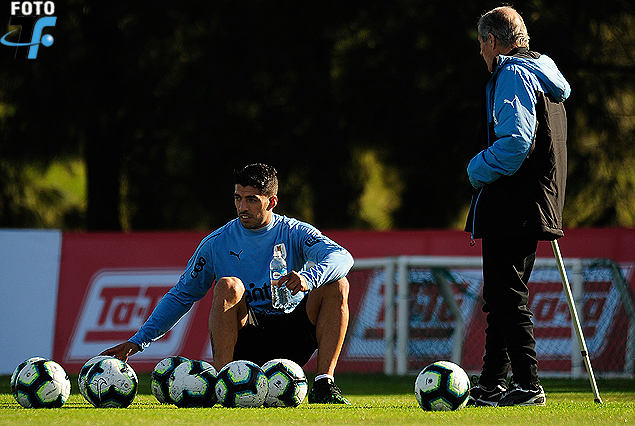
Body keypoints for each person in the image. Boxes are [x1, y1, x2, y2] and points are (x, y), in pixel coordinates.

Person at [102, 163, 354, 404]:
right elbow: (181, 295)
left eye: (252, 200)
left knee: (338, 284)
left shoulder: (294, 231)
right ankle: (225, 381)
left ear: (272, 202)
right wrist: (139, 340)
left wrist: (309, 278)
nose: (242, 207)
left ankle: (324, 384)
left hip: (294, 335)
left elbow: (342, 257)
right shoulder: (217, 243)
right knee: (227, 286)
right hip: (248, 338)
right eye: (237, 198)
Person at [465, 6, 570, 407]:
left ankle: (527, 384)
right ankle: (493, 383)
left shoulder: (511, 73)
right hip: (536, 200)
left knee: (507, 297)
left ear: (492, 40)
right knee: (502, 296)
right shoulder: (544, 73)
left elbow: (516, 142)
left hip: (512, 202)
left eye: (481, 44)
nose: (480, 52)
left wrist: (476, 168)